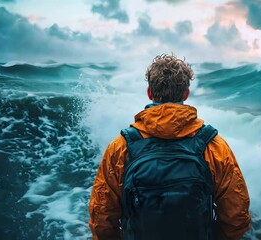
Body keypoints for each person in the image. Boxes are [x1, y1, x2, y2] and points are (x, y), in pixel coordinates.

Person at [88, 54, 251, 240]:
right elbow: (236, 215)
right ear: (186, 94)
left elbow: (102, 216)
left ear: (149, 92)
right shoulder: (213, 146)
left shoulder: (121, 147)